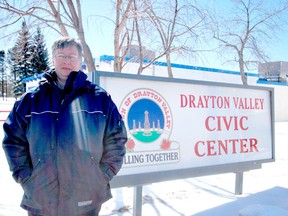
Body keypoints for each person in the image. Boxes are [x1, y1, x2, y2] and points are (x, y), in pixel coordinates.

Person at [2, 37, 127, 216]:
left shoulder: (99, 99)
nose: (66, 60)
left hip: (86, 197)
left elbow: (117, 138)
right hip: (41, 198)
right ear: (53, 59)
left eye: (72, 56)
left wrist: (101, 175)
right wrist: (25, 176)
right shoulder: (31, 101)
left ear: (80, 60)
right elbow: (13, 140)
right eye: (61, 55)